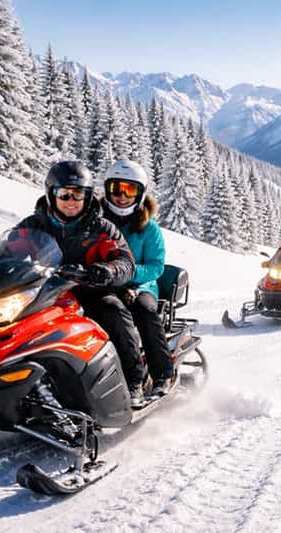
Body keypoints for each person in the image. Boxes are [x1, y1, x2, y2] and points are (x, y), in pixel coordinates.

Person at [0, 161, 147, 407]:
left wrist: (105, 271)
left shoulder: (101, 227)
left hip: (89, 291)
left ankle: (133, 381)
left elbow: (125, 261)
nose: (71, 201)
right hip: (44, 291)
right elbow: (11, 246)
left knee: (114, 312)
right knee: (4, 323)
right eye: (64, 194)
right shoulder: (35, 224)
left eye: (78, 194)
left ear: (88, 196)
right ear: (51, 194)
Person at [101, 159, 174, 398]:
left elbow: (155, 266)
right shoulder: (97, 221)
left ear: (140, 193)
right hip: (104, 284)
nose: (122, 196)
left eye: (130, 190)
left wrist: (131, 275)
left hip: (139, 286)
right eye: (116, 189)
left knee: (144, 310)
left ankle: (162, 373)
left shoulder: (148, 228)